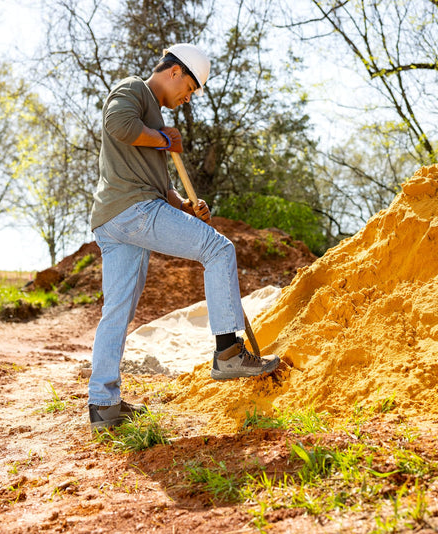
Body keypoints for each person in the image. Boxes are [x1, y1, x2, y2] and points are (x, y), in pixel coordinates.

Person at [88, 43, 280, 430]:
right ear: (175, 72)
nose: (187, 98)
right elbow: (118, 125)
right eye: (189, 89)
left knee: (117, 311)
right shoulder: (132, 90)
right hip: (132, 210)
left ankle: (103, 406)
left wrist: (184, 207)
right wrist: (163, 139)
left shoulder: (153, 115)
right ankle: (228, 352)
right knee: (218, 248)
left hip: (117, 216)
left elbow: (157, 185)